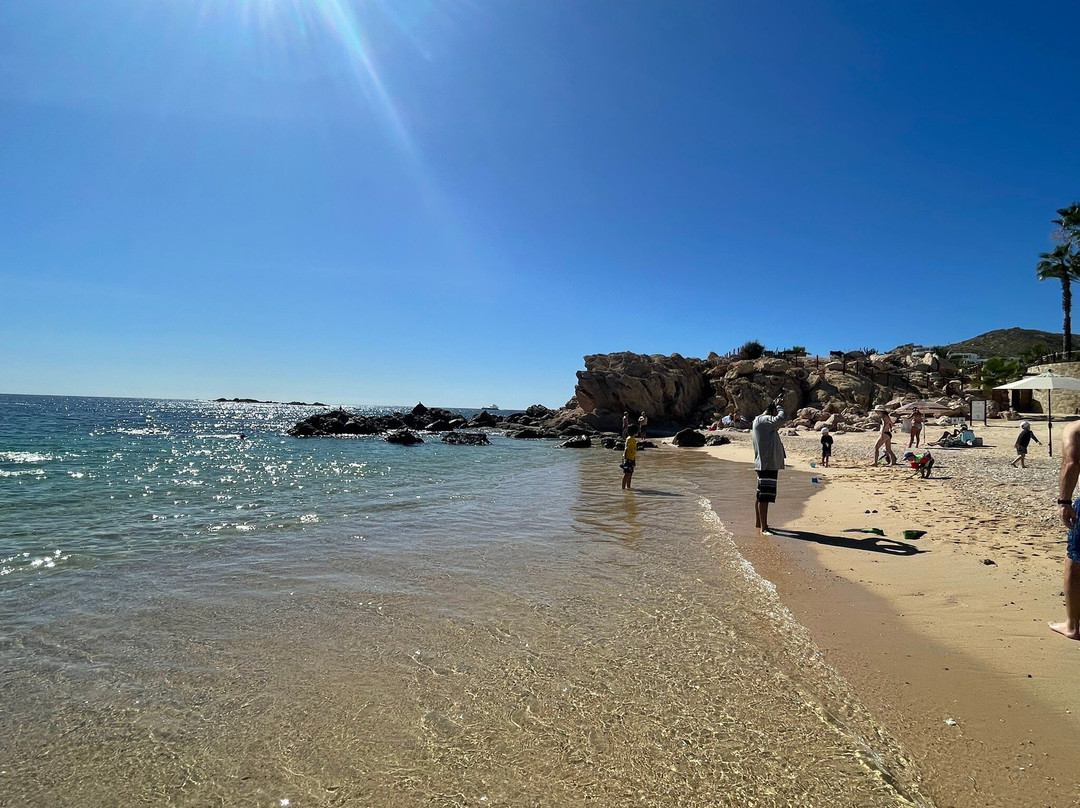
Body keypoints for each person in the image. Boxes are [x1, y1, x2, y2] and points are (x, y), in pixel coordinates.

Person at [1051, 419, 1080, 640]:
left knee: (1076, 561)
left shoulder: (1075, 428)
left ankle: (1072, 626)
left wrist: (1064, 502)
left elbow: (1071, 463)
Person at [752, 395, 787, 535]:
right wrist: (779, 406)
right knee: (764, 497)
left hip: (763, 463)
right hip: (767, 464)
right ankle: (764, 528)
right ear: (772, 412)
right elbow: (782, 418)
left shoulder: (758, 420)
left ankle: (759, 523)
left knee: (760, 495)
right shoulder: (763, 420)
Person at [621, 424, 638, 490]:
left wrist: (634, 460)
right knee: (627, 474)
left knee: (630, 474)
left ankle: (628, 487)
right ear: (635, 432)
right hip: (628, 458)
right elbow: (626, 449)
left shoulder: (634, 439)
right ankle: (623, 488)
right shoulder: (629, 439)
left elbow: (634, 451)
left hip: (632, 458)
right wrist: (625, 459)